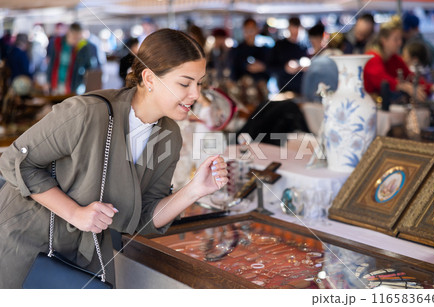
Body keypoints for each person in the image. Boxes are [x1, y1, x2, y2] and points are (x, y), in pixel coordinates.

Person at [0, 28, 228, 288]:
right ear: (150, 78)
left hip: (82, 259)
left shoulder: (168, 135)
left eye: (199, 83)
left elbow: (143, 217)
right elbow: (15, 161)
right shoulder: (87, 112)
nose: (195, 94)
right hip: (24, 244)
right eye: (185, 83)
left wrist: (193, 191)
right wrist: (75, 213)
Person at [364, 16, 432, 103]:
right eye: (396, 39)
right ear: (384, 40)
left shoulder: (394, 58)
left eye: (400, 39)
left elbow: (410, 76)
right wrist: (405, 86)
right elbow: (381, 79)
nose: (400, 43)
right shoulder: (372, 57)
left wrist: (432, 88)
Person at [46, 22, 100, 95]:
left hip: (74, 85)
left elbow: (91, 66)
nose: (76, 41)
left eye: (78, 38)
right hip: (56, 83)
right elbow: (51, 64)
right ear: (68, 33)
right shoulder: (56, 43)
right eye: (74, 38)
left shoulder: (83, 47)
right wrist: (48, 81)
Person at [268, 17, 308, 94]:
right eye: (292, 32)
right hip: (284, 89)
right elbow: (270, 67)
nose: (294, 35)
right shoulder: (279, 45)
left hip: (301, 89)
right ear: (288, 29)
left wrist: (304, 68)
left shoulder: (304, 47)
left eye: (296, 33)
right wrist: (285, 68)